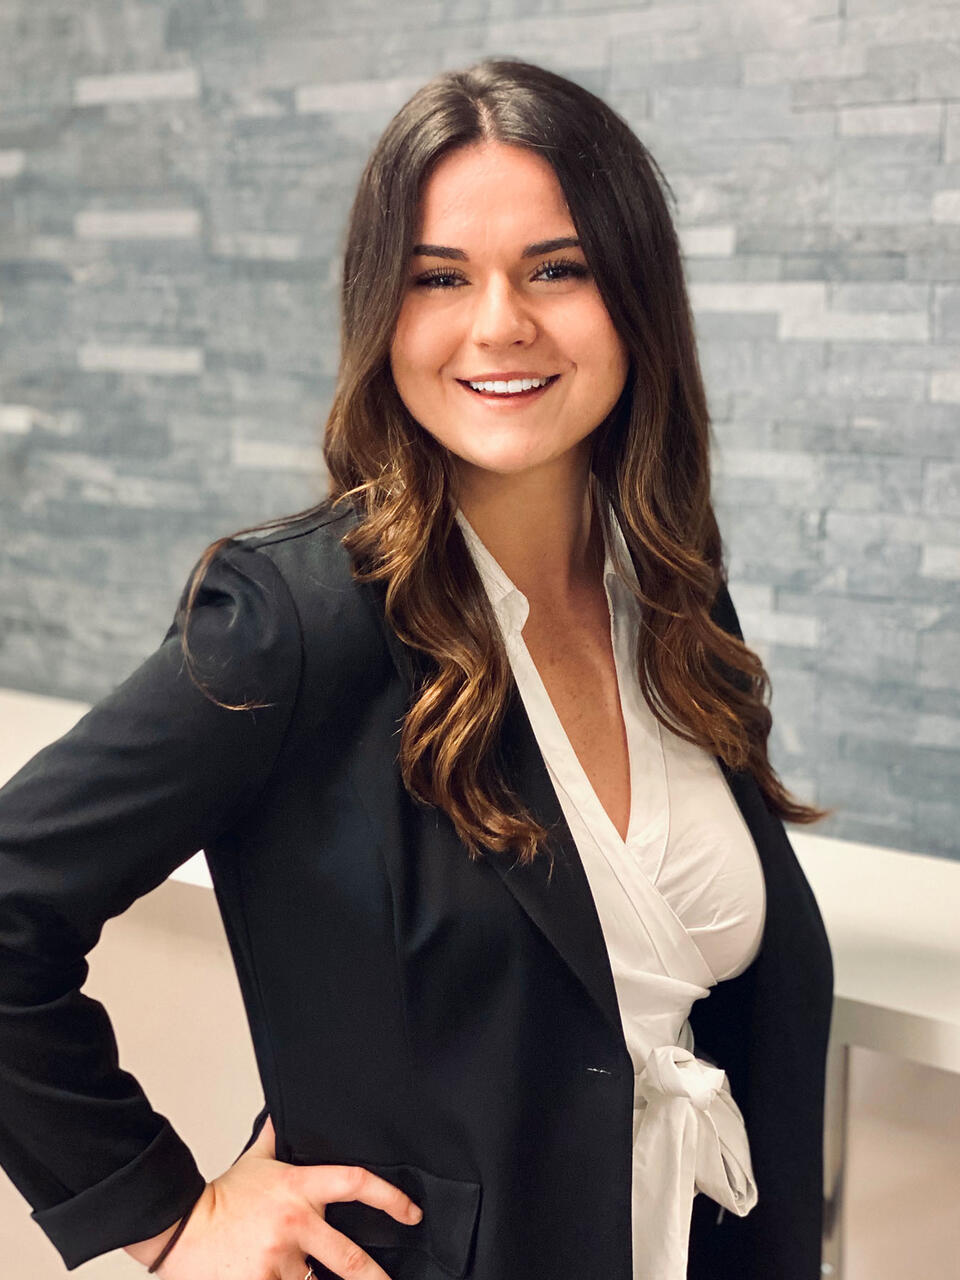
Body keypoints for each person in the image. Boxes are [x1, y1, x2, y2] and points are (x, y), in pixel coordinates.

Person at [0, 57, 834, 1280]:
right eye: (439, 277)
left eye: (558, 267)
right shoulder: (295, 617)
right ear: (381, 313)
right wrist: (169, 1218)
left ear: (636, 296)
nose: (500, 322)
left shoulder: (666, 585)